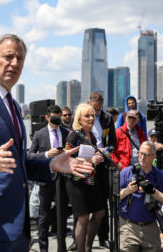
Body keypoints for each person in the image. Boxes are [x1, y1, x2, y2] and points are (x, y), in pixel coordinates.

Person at [0, 34, 93, 251]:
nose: (15, 63)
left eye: (20, 59)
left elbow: (17, 163)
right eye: (8, 56)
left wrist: (51, 164)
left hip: (16, 226)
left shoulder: (12, 105)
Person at [27, 105, 70, 252]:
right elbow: (30, 155)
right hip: (45, 179)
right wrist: (46, 154)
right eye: (54, 117)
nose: (58, 120)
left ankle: (61, 248)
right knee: (43, 216)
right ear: (47, 117)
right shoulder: (39, 134)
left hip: (63, 178)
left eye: (59, 116)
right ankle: (43, 249)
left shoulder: (66, 132)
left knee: (62, 214)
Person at [64, 103, 106, 252]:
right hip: (76, 181)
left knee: (100, 213)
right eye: (87, 115)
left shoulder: (92, 135)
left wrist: (98, 156)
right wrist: (91, 160)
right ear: (79, 119)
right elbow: (66, 158)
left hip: (90, 179)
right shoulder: (74, 134)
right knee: (82, 218)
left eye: (92, 115)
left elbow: (90, 156)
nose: (91, 118)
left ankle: (88, 247)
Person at [119, 141, 163, 252]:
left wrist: (152, 191)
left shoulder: (160, 175)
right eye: (140, 153)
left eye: (146, 155)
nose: (142, 157)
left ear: (153, 156)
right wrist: (128, 190)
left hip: (150, 227)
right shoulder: (126, 172)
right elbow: (114, 197)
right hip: (128, 226)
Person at [88, 92, 116, 249]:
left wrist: (106, 151)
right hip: (86, 163)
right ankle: (79, 239)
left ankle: (103, 236)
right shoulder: (81, 117)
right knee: (84, 203)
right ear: (89, 103)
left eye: (98, 110)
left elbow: (113, 141)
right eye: (94, 109)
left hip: (102, 164)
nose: (96, 113)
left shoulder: (107, 118)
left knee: (103, 202)